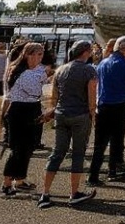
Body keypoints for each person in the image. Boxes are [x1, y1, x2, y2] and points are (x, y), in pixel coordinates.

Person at [37, 40, 98, 209]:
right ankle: (74, 193)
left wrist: (51, 111)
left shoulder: (61, 70)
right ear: (86, 52)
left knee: (57, 153)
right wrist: (93, 115)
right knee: (78, 153)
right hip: (80, 114)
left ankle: (45, 193)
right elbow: (92, 96)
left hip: (61, 113)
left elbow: (54, 96)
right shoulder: (89, 70)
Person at [87, 35, 125, 186]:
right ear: (124, 50)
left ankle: (93, 175)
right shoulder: (124, 63)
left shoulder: (103, 63)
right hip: (119, 105)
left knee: (100, 143)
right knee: (117, 140)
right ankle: (113, 170)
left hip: (103, 105)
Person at [0, 42, 48, 198]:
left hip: (33, 108)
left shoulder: (38, 70)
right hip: (19, 109)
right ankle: (7, 183)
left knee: (29, 147)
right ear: (26, 54)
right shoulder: (19, 71)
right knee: (17, 148)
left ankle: (20, 179)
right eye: (34, 54)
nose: (37, 57)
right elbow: (34, 90)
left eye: (40, 54)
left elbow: (42, 83)